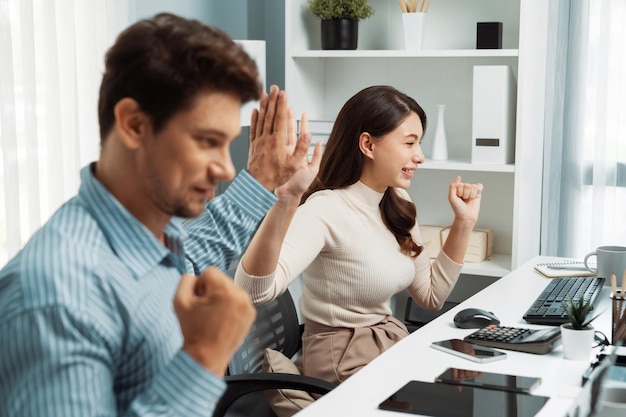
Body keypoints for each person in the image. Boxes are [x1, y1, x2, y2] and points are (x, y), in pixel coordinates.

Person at [0, 13, 318, 417]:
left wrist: (262, 179)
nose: (224, 168)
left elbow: (199, 250)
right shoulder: (54, 299)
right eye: (207, 141)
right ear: (134, 125)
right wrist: (203, 358)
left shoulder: (149, 230)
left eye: (227, 144)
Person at [235, 85, 484, 386]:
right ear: (368, 144)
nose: (419, 156)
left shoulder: (398, 202)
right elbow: (253, 293)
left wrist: (464, 222)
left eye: (419, 143)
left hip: (388, 347)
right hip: (341, 361)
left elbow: (431, 296)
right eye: (409, 143)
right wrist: (286, 201)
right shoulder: (324, 210)